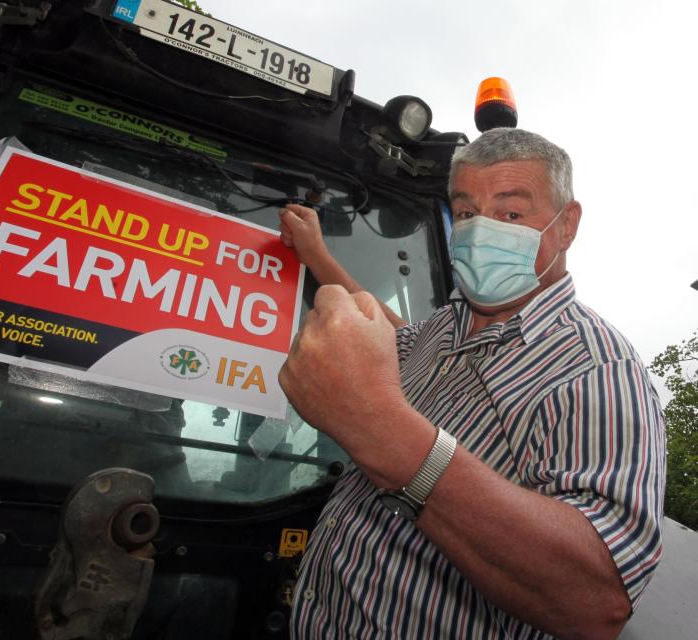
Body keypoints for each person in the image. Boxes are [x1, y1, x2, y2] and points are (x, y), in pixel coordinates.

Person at [277, 128, 665, 639]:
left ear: (566, 224)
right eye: (465, 213)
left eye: (510, 214)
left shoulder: (598, 371)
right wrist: (317, 255)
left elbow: (595, 601)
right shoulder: (446, 325)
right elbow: (391, 335)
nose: (482, 233)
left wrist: (382, 433)